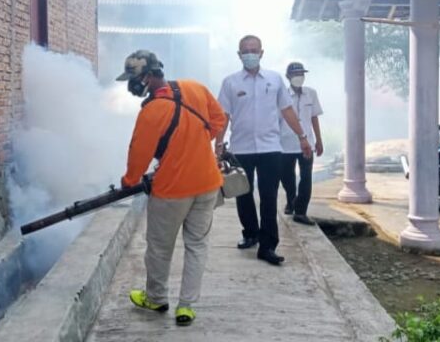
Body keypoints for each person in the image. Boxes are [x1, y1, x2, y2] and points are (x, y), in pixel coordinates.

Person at [116, 49, 226, 327]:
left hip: (172, 191)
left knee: (159, 248)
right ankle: (186, 307)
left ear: (151, 75)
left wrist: (129, 181)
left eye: (136, 79)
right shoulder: (195, 87)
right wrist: (197, 144)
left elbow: (138, 154)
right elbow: (218, 120)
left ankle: (155, 298)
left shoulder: (152, 111)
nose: (133, 85)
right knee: (197, 246)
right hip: (208, 183)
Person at [215, 35, 312, 266]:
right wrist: (218, 145)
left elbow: (287, 110)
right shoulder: (230, 82)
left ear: (261, 53)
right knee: (243, 194)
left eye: (254, 50)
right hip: (242, 148)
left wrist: (302, 137)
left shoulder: (275, 79)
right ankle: (250, 233)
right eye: (245, 50)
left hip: (270, 148)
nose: (250, 54)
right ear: (239, 55)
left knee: (269, 197)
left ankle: (268, 246)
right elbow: (223, 116)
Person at [279, 62, 324, 225]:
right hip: (285, 143)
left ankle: (301, 211)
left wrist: (319, 140)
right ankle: (292, 201)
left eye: (301, 74)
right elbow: (276, 119)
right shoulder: (281, 94)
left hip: (307, 143)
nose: (299, 77)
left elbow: (314, 117)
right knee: (286, 177)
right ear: (288, 77)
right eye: (295, 74)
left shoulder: (311, 93)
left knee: (306, 176)